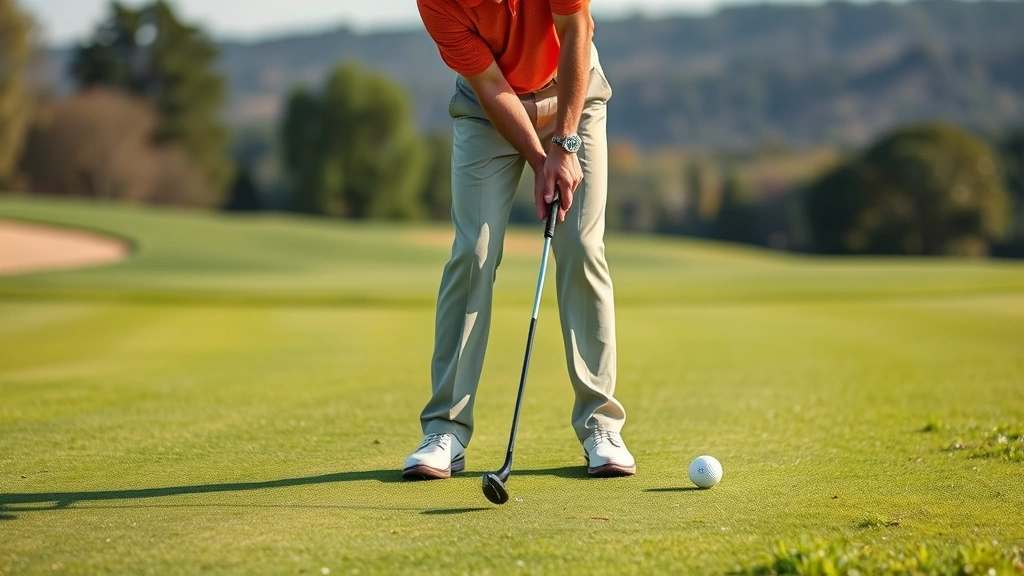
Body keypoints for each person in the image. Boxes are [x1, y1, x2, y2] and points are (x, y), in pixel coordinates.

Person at [403, 0, 635, 480]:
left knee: (583, 247)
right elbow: (489, 84)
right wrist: (538, 157)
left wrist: (564, 144)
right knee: (474, 252)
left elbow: (577, 31)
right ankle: (445, 429)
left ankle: (600, 427)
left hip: (573, 93)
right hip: (491, 111)